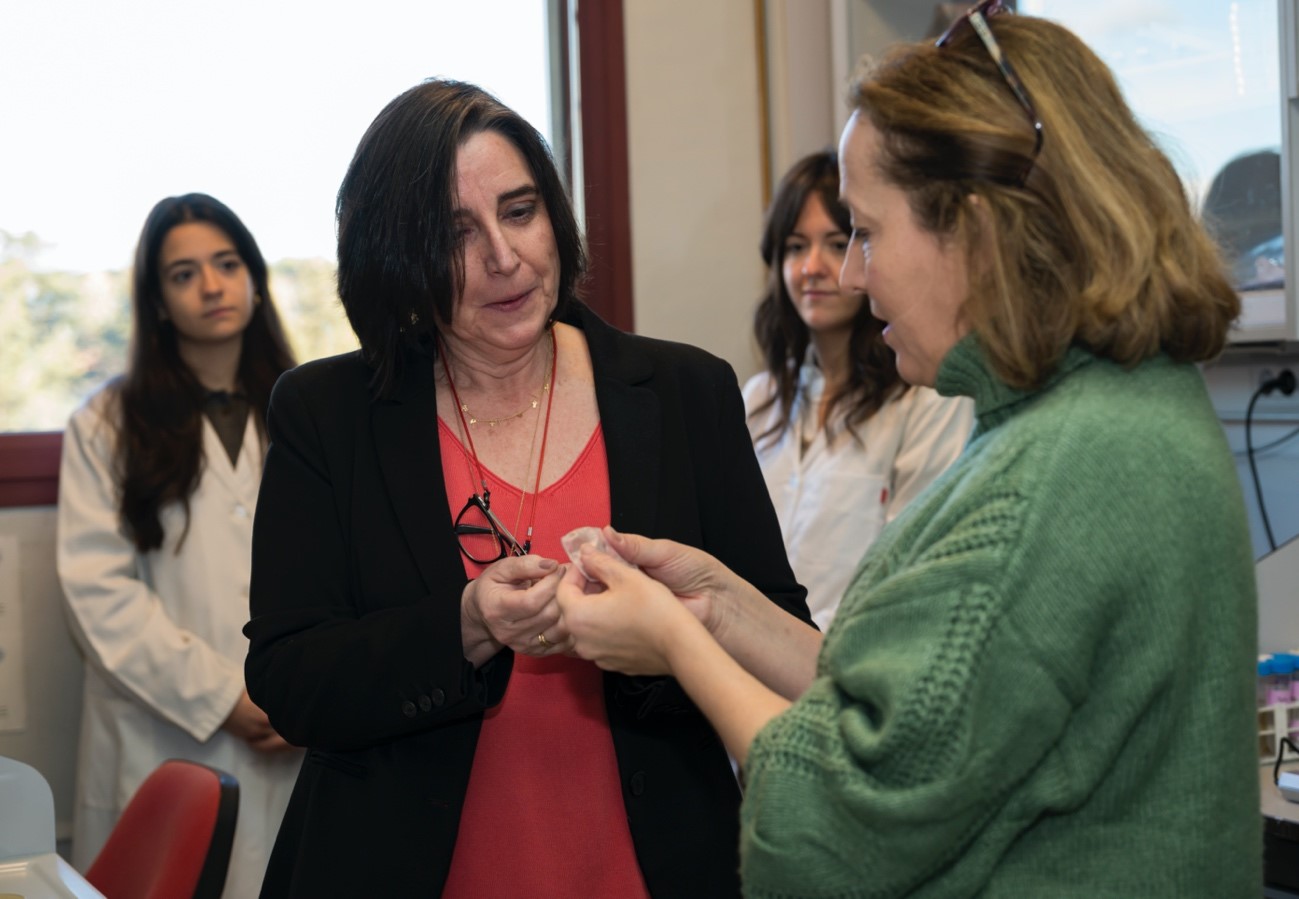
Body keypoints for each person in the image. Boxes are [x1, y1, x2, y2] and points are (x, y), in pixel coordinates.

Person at [557, 4, 1260, 895]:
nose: (849, 273)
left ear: (969, 229)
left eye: (865, 231)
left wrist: (670, 645)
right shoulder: (1117, 407)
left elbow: (823, 839)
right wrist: (716, 610)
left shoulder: (1050, 480)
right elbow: (922, 709)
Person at [243, 78, 808, 897]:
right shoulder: (328, 414)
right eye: (454, 232)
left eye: (519, 211)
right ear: (393, 256)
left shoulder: (686, 392)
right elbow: (291, 679)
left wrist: (657, 637)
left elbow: (778, 634)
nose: (503, 259)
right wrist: (465, 626)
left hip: (656, 867)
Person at [57, 193, 301, 897]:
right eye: (184, 273)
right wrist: (227, 694)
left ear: (255, 278)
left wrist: (302, 693)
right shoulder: (105, 423)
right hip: (163, 735)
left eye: (227, 264)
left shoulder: (312, 410)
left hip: (296, 733)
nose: (212, 286)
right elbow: (99, 594)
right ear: (158, 301)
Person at [744, 149, 972, 628]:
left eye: (837, 242)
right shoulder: (758, 399)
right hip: (744, 665)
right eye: (794, 247)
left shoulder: (924, 399)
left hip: (857, 666)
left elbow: (909, 577)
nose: (813, 267)